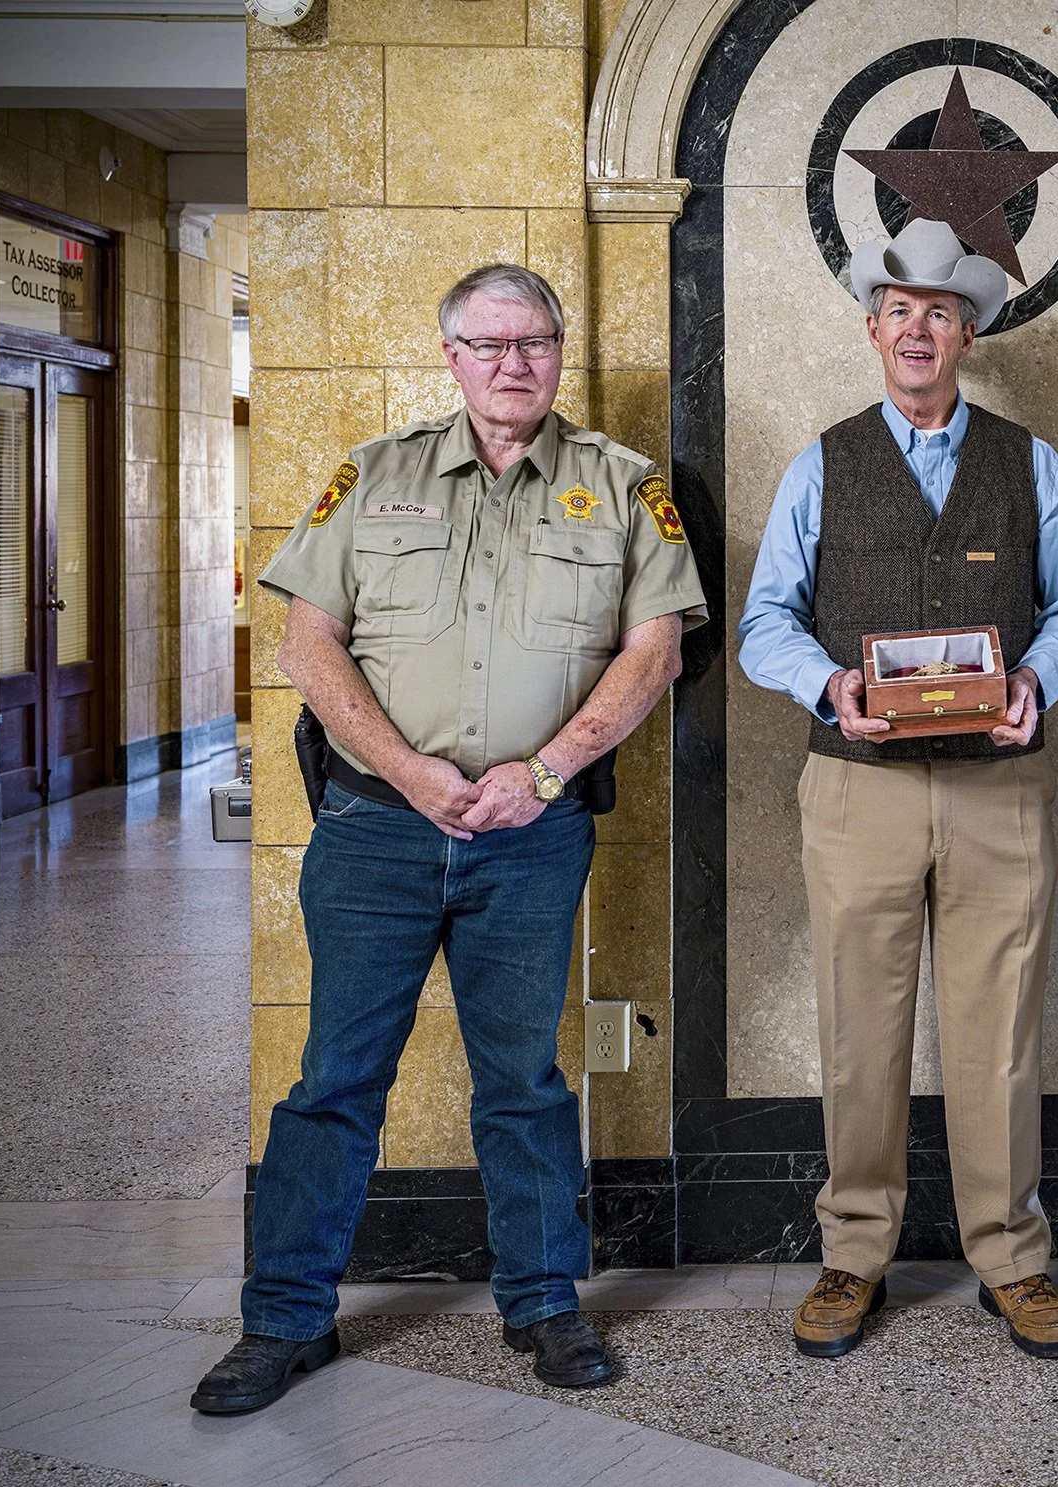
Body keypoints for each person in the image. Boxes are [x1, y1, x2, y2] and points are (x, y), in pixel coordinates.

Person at [192, 264, 707, 1413]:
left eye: (533, 341)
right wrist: (409, 768)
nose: (512, 361)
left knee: (520, 1080)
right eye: (488, 343)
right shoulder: (370, 479)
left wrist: (543, 770)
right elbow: (309, 645)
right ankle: (283, 1318)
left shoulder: (622, 487)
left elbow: (655, 648)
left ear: (560, 352)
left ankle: (543, 1304)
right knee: (333, 1077)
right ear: (451, 356)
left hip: (531, 836)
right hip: (375, 831)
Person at [738, 218, 1058, 1361]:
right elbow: (765, 622)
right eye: (897, 307)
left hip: (1000, 786)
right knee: (859, 1025)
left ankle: (1011, 1255)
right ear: (872, 328)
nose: (916, 326)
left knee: (998, 1027)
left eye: (938, 310)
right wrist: (829, 688)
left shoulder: (1030, 461)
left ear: (966, 332)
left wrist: (1037, 684)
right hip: (857, 787)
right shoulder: (821, 459)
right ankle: (853, 1253)